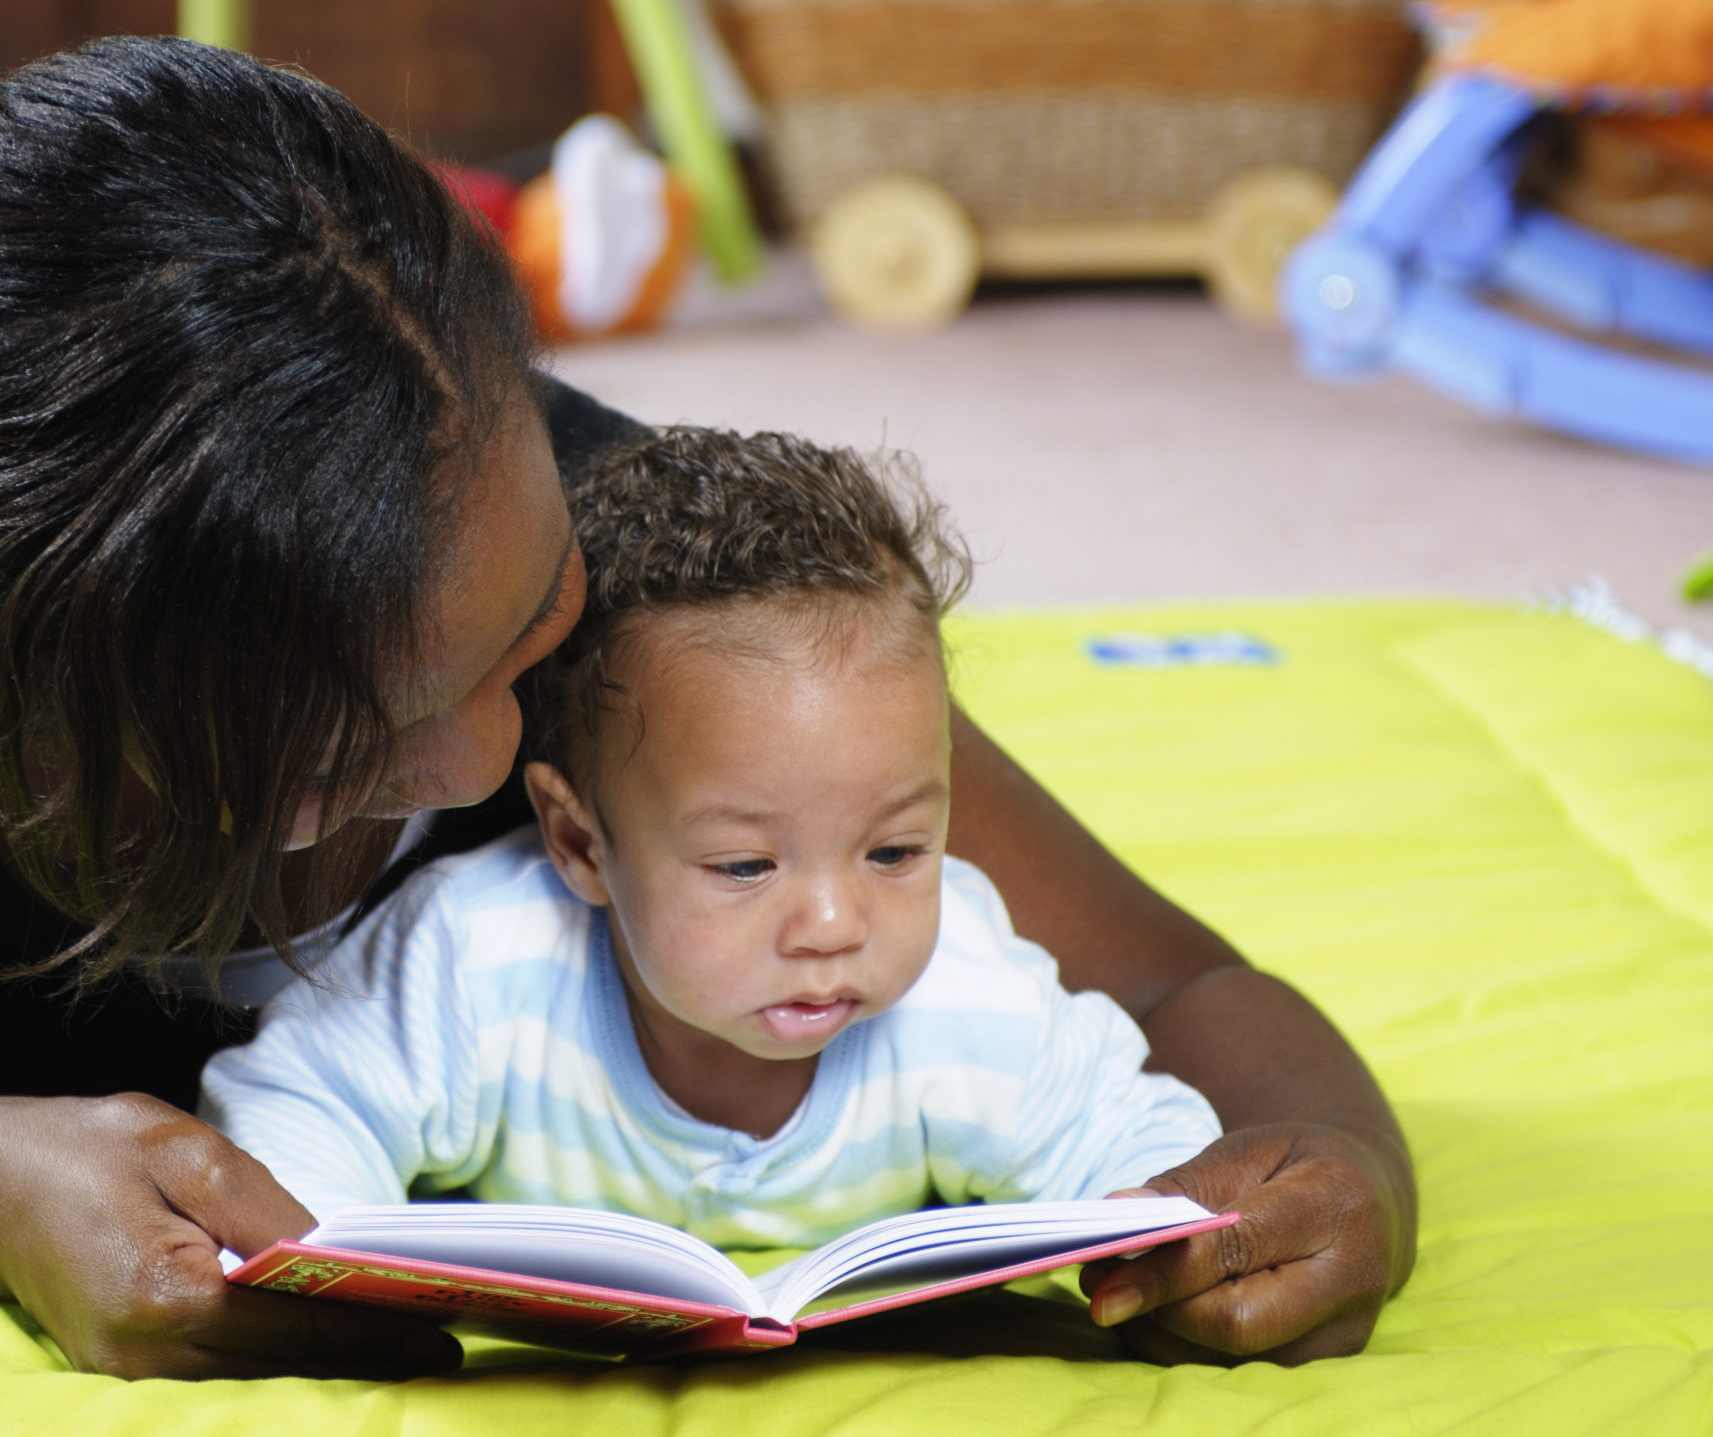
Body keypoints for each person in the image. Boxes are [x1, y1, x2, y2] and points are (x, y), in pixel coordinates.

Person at [0, 37, 1414, 1383]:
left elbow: (1169, 993)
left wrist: (1334, 1175)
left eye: (519, 643)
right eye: (340, 750)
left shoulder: (592, 552)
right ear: (21, 692)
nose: (489, 765)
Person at [202, 428, 1222, 1257]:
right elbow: (297, 1107)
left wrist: (1153, 1239)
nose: (832, 922)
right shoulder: (476, 961)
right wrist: (341, 1264)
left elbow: (1145, 1139)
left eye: (896, 850)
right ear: (578, 843)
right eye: (745, 864)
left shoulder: (965, 994)